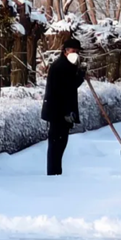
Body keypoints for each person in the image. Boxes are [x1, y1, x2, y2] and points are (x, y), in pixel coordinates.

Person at [41, 38, 86, 175]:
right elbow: (66, 88)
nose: (75, 54)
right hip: (57, 112)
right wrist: (80, 75)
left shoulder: (68, 65)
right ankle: (53, 174)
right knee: (56, 144)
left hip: (61, 112)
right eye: (73, 51)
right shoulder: (60, 66)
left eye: (77, 51)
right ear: (65, 51)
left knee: (60, 144)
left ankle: (56, 172)